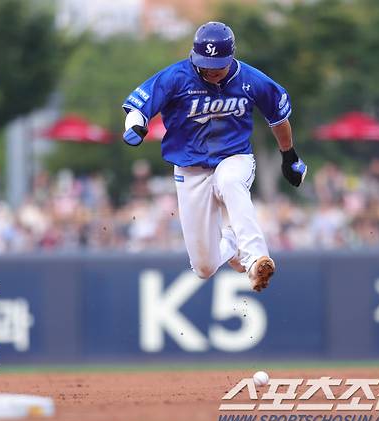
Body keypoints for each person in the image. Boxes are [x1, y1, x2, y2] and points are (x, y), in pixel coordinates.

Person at [121, 21, 307, 291]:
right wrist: (135, 124)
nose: (210, 71)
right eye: (204, 63)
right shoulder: (177, 77)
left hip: (234, 158)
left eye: (217, 64)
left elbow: (278, 119)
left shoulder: (251, 80)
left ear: (231, 57)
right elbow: (138, 104)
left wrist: (289, 155)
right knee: (204, 268)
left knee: (230, 182)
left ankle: (256, 257)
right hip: (190, 168)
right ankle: (231, 244)